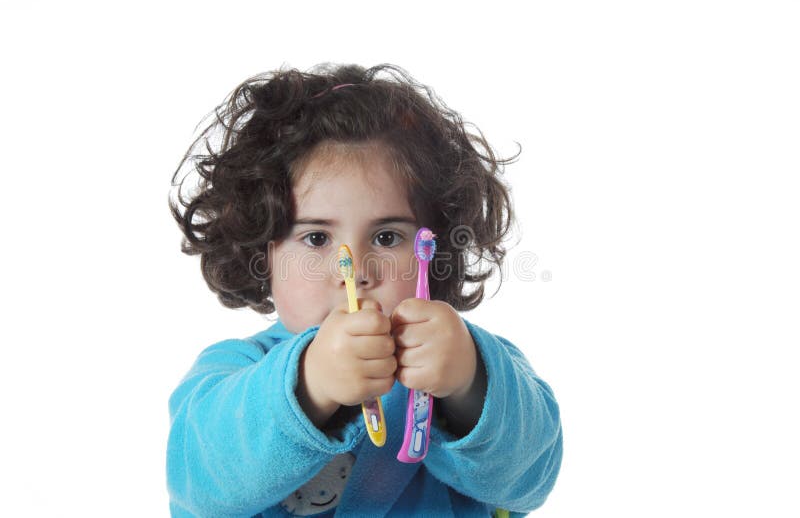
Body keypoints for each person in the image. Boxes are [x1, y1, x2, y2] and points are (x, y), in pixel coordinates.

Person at [167, 63, 562, 517]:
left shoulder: (470, 360)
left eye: (386, 237)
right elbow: (198, 482)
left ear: (433, 250)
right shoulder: (233, 372)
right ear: (264, 251)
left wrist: (470, 386)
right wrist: (308, 385)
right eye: (316, 238)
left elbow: (531, 479)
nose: (352, 272)